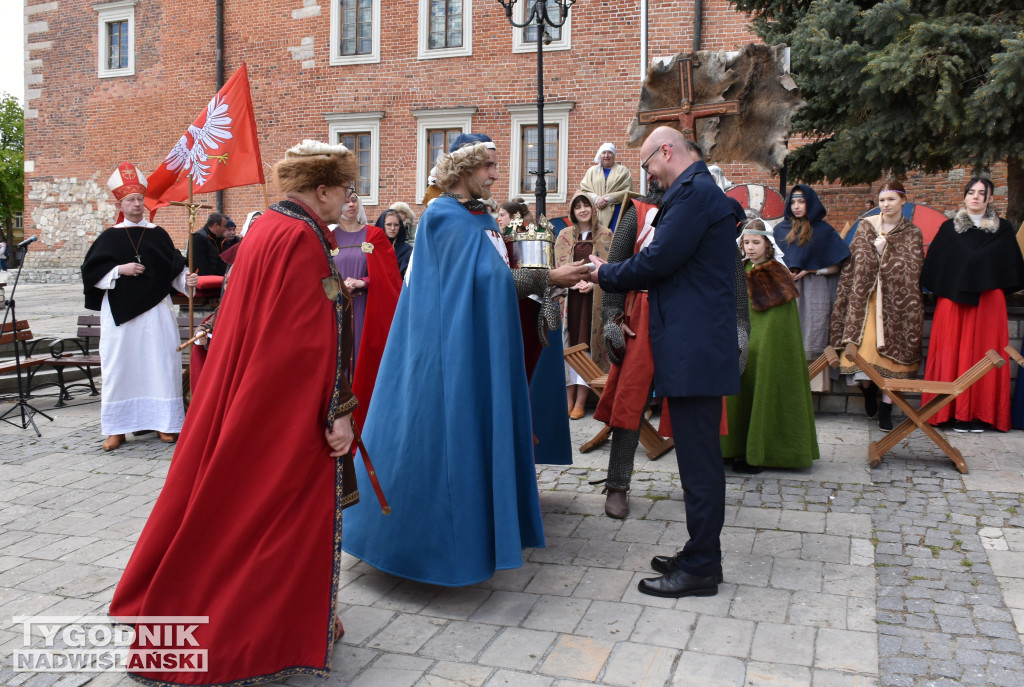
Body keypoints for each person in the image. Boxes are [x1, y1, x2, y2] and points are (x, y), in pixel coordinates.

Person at [109, 140, 362, 685]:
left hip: (252, 395)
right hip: (284, 410)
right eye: (345, 189)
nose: (349, 199)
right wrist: (337, 411)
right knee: (275, 517)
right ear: (321, 190)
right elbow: (309, 342)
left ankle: (298, 616)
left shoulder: (269, 226)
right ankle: (255, 633)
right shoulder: (301, 238)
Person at [342, 134, 590, 586]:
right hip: (444, 354)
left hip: (477, 344)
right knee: (437, 445)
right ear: (464, 168)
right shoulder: (443, 215)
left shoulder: (479, 216)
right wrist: (550, 276)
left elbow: (493, 274)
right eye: (487, 166)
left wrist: (541, 278)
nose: (495, 174)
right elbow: (478, 281)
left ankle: (483, 532)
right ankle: (420, 548)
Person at [587, 127, 740, 598]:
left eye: (648, 163)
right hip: (694, 345)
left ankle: (701, 566)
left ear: (667, 151)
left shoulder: (693, 194)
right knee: (696, 459)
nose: (648, 174)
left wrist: (605, 273)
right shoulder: (697, 193)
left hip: (695, 348)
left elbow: (657, 260)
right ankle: (699, 554)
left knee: (699, 462)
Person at [80, 163, 198, 452]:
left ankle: (165, 424)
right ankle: (116, 429)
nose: (136, 204)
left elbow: (174, 269)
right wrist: (119, 269)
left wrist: (187, 279)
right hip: (120, 316)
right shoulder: (109, 236)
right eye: (130, 200)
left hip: (156, 312)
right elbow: (90, 272)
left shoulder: (158, 234)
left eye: (139, 199)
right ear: (119, 205)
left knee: (160, 364)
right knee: (120, 366)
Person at [920, 177, 1024, 432]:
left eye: (981, 193)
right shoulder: (948, 229)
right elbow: (935, 267)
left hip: (988, 302)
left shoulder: (1003, 229)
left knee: (985, 354)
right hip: (953, 301)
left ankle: (980, 414)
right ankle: (948, 412)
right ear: (964, 196)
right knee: (950, 353)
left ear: (990, 198)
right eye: (971, 192)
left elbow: (1011, 268)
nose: (975, 197)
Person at [722, 220, 818, 471]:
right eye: (746, 242)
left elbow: (780, 325)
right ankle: (731, 449)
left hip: (767, 348)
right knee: (734, 394)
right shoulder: (739, 269)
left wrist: (764, 348)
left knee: (761, 390)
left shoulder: (778, 274)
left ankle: (758, 454)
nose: (750, 247)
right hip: (740, 341)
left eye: (756, 242)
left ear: (768, 244)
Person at [830, 181, 924, 432]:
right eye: (882, 200)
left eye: (891, 199)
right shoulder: (866, 227)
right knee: (865, 354)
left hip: (897, 306)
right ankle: (868, 389)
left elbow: (913, 269)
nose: (886, 204)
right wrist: (875, 253)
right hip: (867, 304)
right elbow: (855, 264)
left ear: (903, 201)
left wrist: (886, 252)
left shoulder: (913, 233)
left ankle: (886, 408)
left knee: (892, 363)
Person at [331, 193, 401, 428]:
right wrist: (339, 286)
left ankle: (366, 424)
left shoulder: (374, 235)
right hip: (337, 313)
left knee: (365, 362)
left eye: (353, 199)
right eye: (345, 200)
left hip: (364, 311)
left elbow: (390, 278)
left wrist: (364, 281)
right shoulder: (328, 239)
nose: (350, 204)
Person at [773, 184, 850, 392]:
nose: (796, 206)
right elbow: (772, 259)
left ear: (811, 203)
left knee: (813, 333)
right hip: (786, 289)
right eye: (793, 202)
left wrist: (811, 270)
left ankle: (811, 389)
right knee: (787, 335)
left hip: (815, 288)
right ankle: (788, 390)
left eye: (802, 201)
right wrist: (784, 272)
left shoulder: (823, 231)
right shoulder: (780, 230)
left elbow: (837, 264)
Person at [555, 193, 612, 419]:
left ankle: (581, 400)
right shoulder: (564, 235)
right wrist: (571, 282)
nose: (582, 210)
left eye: (586, 205)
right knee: (568, 347)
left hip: (593, 301)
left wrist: (594, 285)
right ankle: (567, 399)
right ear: (573, 212)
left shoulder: (606, 235)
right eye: (577, 207)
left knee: (586, 346)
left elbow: (612, 268)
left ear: (593, 209)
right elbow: (557, 266)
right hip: (570, 300)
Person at [579, 142, 634, 231]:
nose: (606, 155)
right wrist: (597, 199)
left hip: (616, 211)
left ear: (614, 155)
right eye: (604, 153)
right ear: (600, 155)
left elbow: (628, 191)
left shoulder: (623, 170)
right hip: (596, 211)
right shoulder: (592, 171)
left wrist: (608, 199)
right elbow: (584, 190)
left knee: (615, 235)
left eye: (610, 152)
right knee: (597, 236)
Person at [189, 212, 237, 277]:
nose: (225, 229)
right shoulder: (198, 238)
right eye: (224, 226)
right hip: (204, 280)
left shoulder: (219, 238)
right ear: (216, 226)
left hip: (218, 279)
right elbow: (199, 265)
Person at [378, 209, 413, 276]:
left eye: (396, 225)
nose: (392, 228)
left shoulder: (407, 250)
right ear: (382, 225)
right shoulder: (374, 247)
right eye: (388, 224)